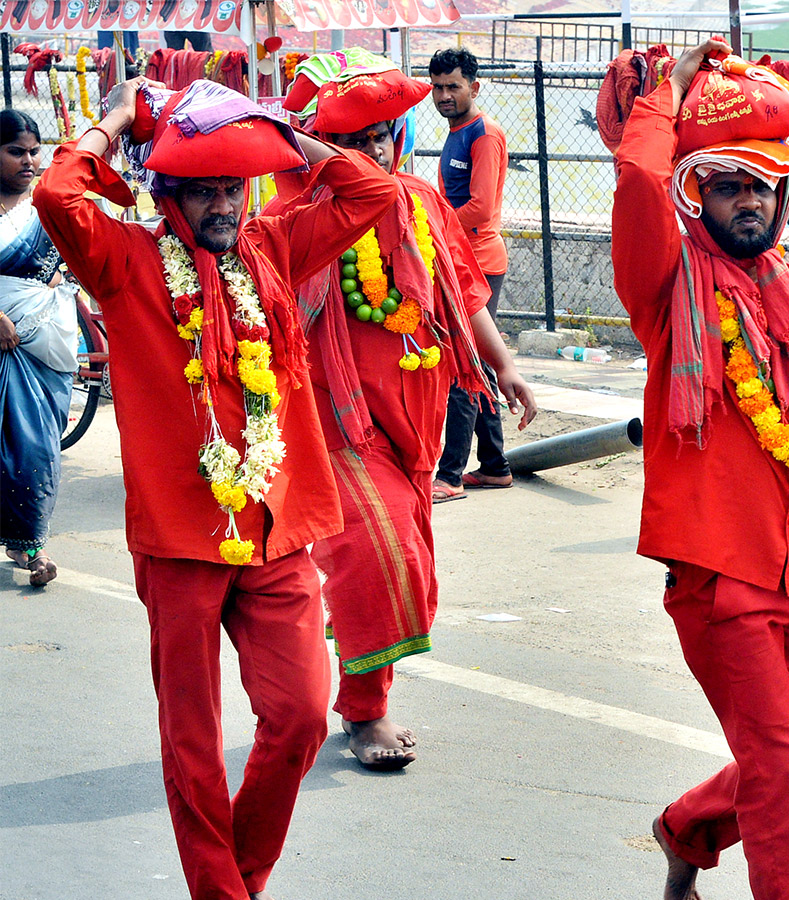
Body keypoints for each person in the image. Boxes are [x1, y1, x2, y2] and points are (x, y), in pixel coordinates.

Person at [33, 77, 398, 900]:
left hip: (276, 531)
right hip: (179, 541)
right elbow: (59, 194)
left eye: (232, 185)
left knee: (302, 715)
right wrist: (120, 118)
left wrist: (273, 129)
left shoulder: (274, 246)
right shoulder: (125, 262)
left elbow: (370, 189)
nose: (222, 204)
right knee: (192, 741)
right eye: (201, 190)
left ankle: (238, 878)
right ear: (168, 195)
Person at [611, 38, 789, 900]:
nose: (749, 199)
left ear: (786, 196)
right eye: (727, 182)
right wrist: (669, 93)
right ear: (698, 195)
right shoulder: (668, 284)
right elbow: (640, 185)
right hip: (720, 576)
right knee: (773, 763)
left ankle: (686, 826)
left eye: (763, 183)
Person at [272, 55, 536, 770]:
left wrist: (502, 364)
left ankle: (358, 677)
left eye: (383, 139)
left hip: (413, 415)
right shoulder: (290, 217)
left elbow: (462, 290)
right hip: (334, 421)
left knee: (401, 556)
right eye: (356, 145)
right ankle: (365, 714)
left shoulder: (420, 200)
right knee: (379, 555)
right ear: (322, 149)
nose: (374, 156)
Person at [428, 46, 513, 502]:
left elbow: (480, 208)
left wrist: (426, 220)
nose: (443, 95)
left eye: (453, 87)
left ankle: (451, 474)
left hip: (479, 261)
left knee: (463, 362)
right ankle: (496, 465)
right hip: (459, 258)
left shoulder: (484, 133)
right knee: (476, 361)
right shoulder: (456, 128)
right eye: (438, 87)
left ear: (473, 88)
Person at [0, 110, 76, 587]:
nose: (28, 161)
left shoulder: (43, 209)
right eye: (15, 152)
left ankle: (28, 541)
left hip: (44, 341)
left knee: (36, 447)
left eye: (33, 152)